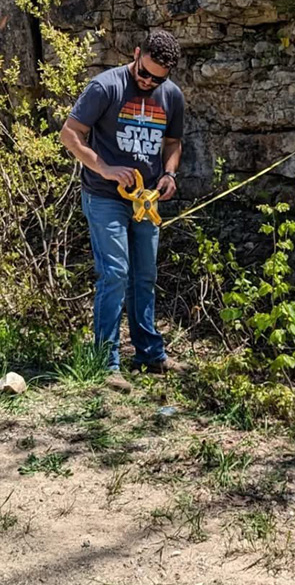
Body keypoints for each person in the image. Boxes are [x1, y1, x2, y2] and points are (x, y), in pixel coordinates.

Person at [60, 29, 188, 393]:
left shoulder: (172, 97)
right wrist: (103, 168)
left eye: (157, 78)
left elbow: (174, 142)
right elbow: (70, 134)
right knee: (115, 273)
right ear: (136, 53)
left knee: (144, 275)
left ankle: (149, 354)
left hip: (146, 200)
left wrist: (169, 173)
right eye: (143, 72)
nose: (147, 82)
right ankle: (106, 362)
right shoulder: (105, 87)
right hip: (104, 196)